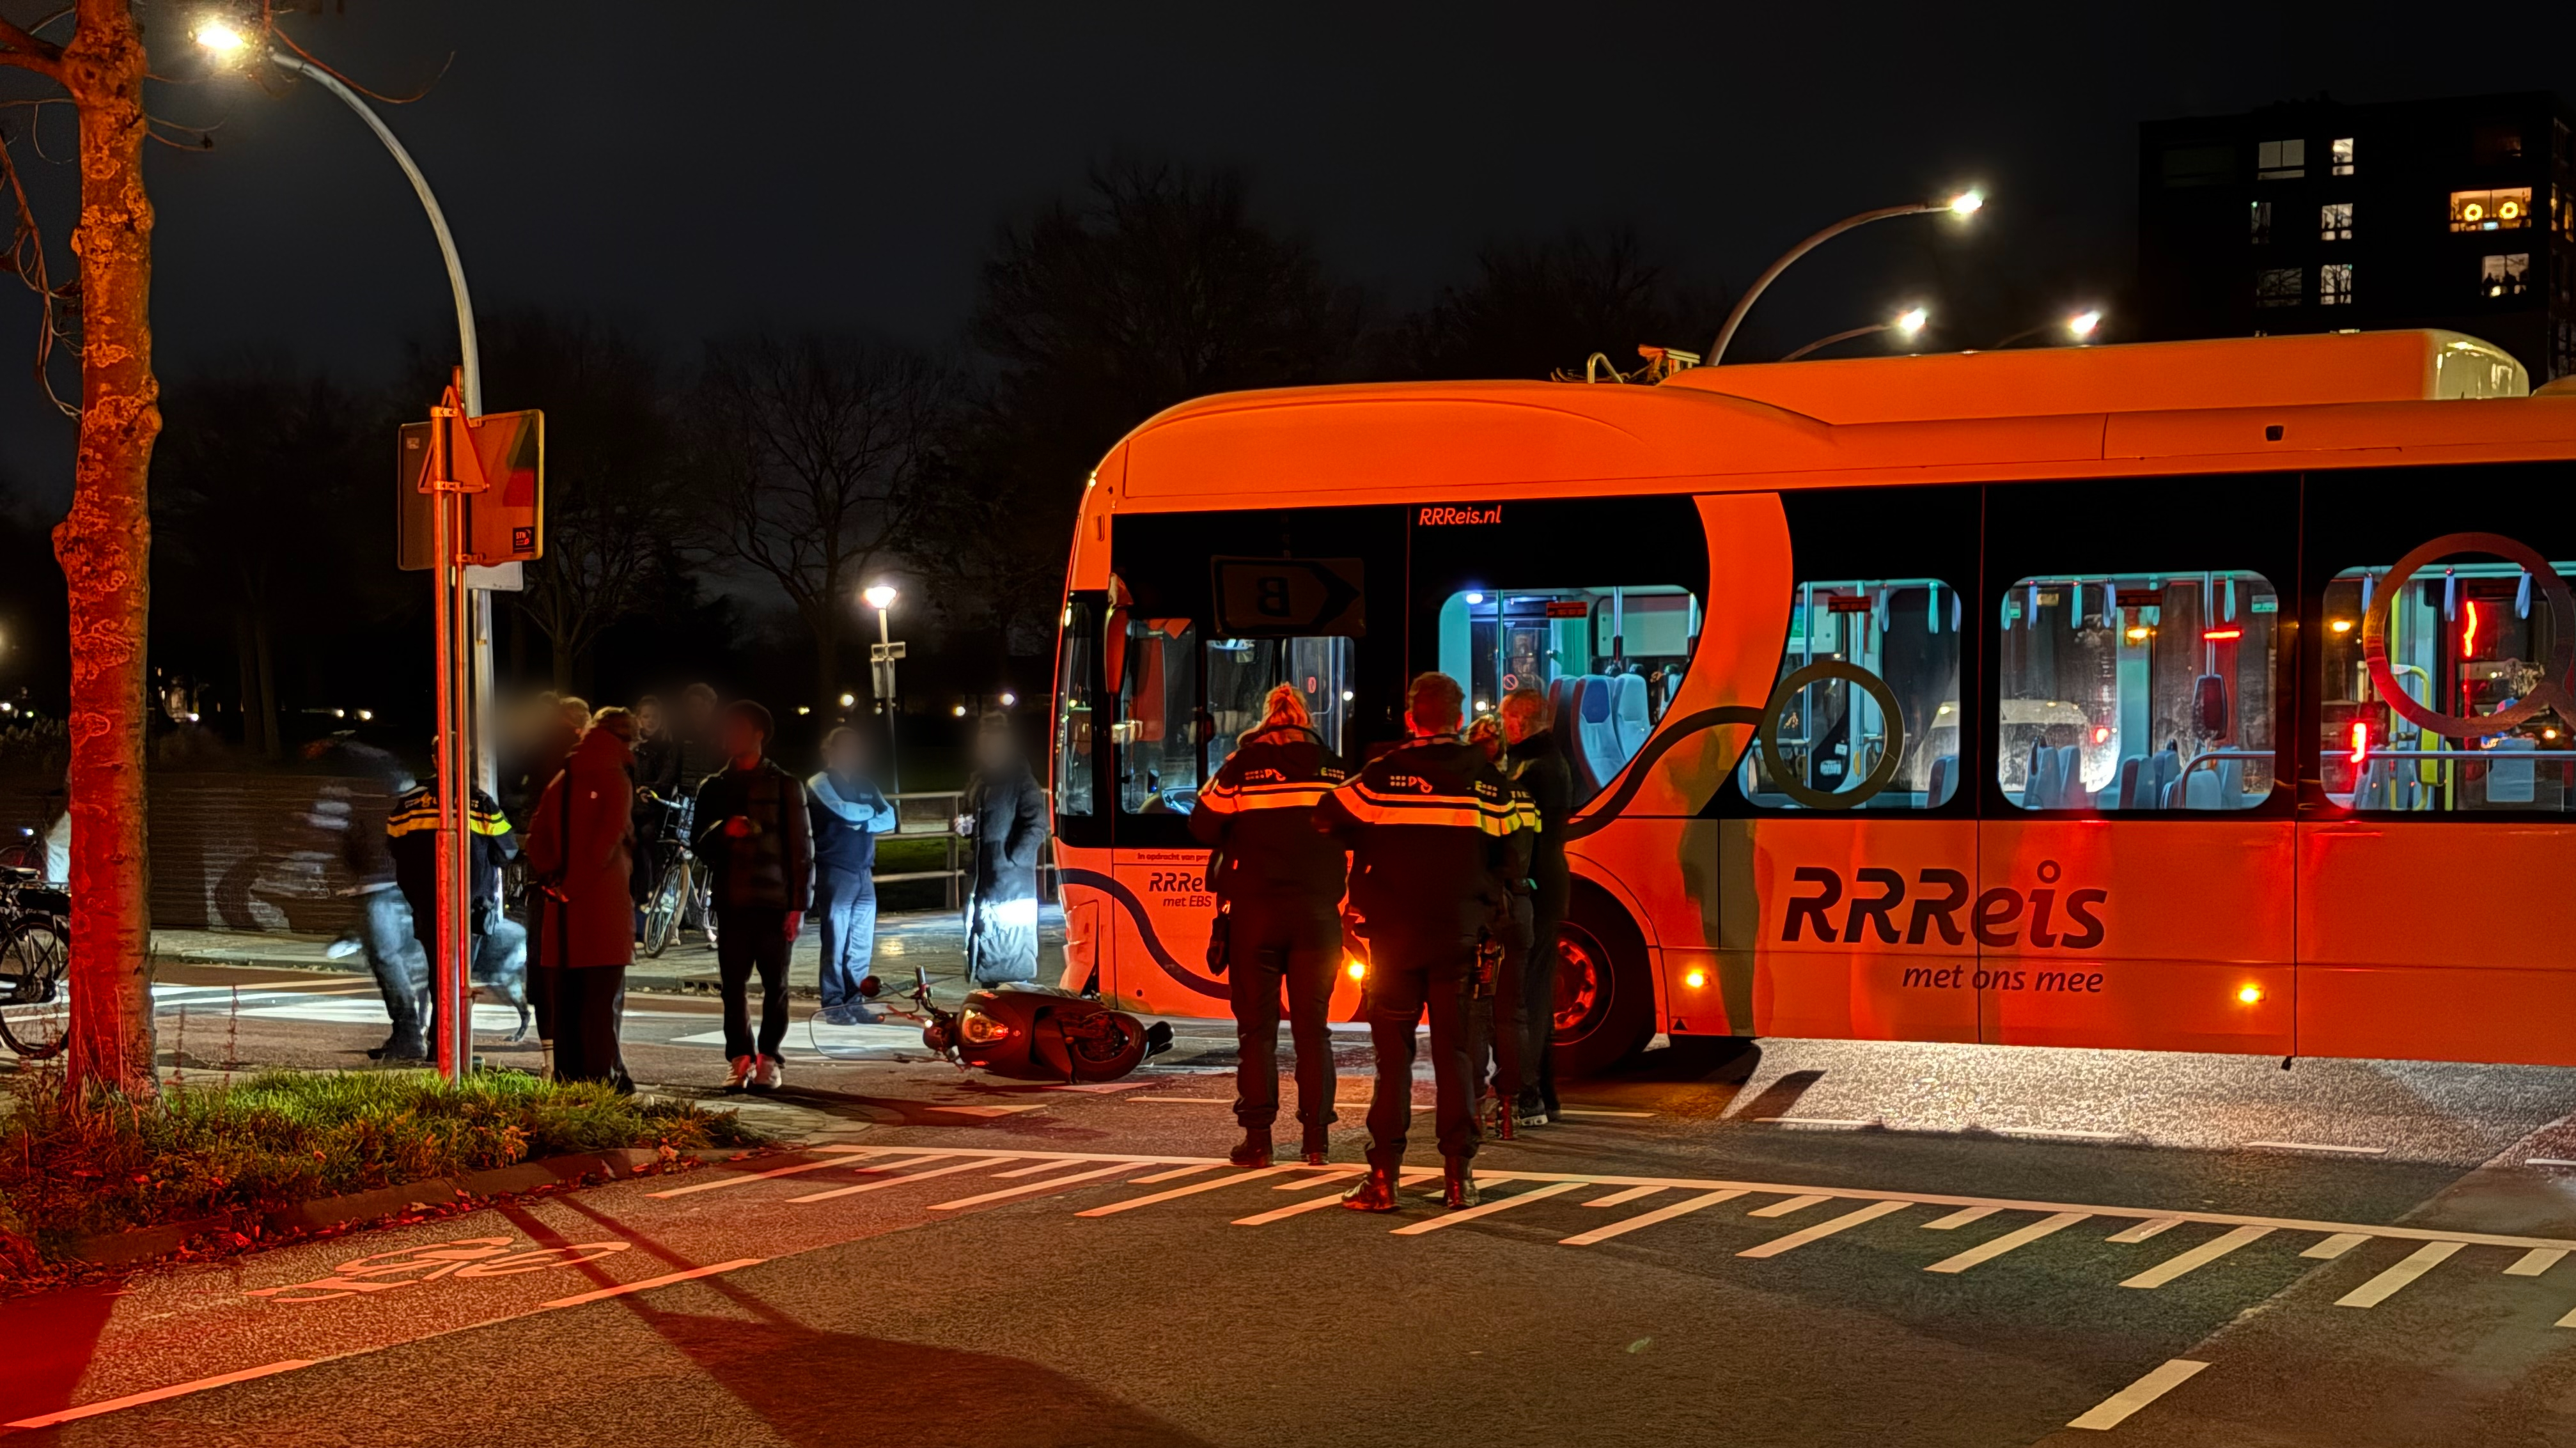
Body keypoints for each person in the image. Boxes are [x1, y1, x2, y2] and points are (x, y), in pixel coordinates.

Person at [1317, 672, 1535, 1212]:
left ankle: (1383, 1179)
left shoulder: (1381, 776)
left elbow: (1325, 815)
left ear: (1411, 719)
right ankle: (1459, 1178)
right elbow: (1516, 850)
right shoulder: (1486, 780)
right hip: (1459, 936)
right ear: (1459, 719)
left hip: (1393, 938)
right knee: (1456, 1054)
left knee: (1392, 1060)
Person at [1189, 683, 1350, 1167]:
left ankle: (1258, 1140)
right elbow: (1356, 829)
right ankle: (1316, 1140)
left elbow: (1201, 825)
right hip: (1317, 916)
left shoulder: (1240, 768)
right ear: (1307, 719)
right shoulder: (1335, 769)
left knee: (1257, 1031)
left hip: (1255, 915)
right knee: (1313, 1030)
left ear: (1266, 719)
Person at [691, 701, 813, 1093]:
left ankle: (769, 1058)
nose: (730, 736)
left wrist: (798, 906)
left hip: (774, 901)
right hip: (731, 900)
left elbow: (802, 850)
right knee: (733, 985)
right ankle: (739, 1057)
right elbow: (697, 843)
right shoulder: (714, 786)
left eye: (739, 728)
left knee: (776, 984)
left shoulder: (785, 785)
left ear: (759, 734)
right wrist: (724, 830)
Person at [523, 707, 638, 1086]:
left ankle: (568, 1081)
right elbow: (607, 840)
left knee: (567, 1003)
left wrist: (554, 880)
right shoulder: (616, 777)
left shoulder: (564, 775)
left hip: (561, 912)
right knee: (601, 1004)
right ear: (628, 739)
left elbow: (537, 836)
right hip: (603, 906)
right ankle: (601, 1082)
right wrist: (574, 887)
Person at [387, 750, 531, 1050]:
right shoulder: (479, 803)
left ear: (435, 760)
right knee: (459, 974)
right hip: (471, 906)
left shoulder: (409, 803)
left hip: (426, 903)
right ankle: (451, 1045)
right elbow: (507, 850)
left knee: (438, 971)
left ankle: (440, 1042)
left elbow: (395, 847)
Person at [1501, 687, 1573, 1128]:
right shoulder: (1553, 761)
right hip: (1552, 882)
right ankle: (1544, 1090)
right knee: (1538, 990)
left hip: (1534, 888)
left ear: (1521, 720)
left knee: (1525, 994)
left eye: (1506, 721)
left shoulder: (1531, 768)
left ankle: (1528, 1093)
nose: (1503, 729)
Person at [808, 726, 899, 1025]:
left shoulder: (865, 783)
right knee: (835, 941)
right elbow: (842, 810)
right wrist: (869, 813)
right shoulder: (819, 782)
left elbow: (890, 817)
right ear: (831, 751)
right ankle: (833, 1004)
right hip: (835, 871)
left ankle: (855, 1000)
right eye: (847, 748)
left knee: (860, 943)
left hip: (862, 872)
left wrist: (863, 821)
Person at [958, 713, 1049, 986]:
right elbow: (973, 818)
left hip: (1011, 882)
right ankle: (990, 997)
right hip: (984, 878)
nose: (988, 750)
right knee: (986, 938)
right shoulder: (980, 781)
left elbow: (1037, 823)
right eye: (984, 744)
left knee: (1011, 946)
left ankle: (1013, 998)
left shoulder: (1021, 780)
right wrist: (966, 826)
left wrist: (1013, 860)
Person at [629, 693, 682, 928]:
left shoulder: (667, 748)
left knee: (649, 846)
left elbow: (668, 777)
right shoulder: (632, 746)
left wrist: (651, 790)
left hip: (656, 809)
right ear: (638, 718)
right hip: (632, 807)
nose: (651, 721)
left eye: (655, 717)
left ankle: (652, 901)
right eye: (646, 716)